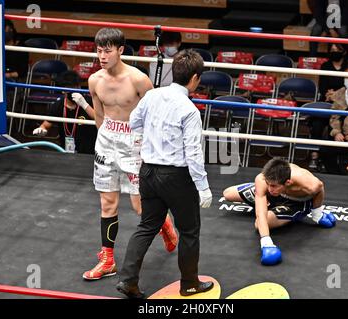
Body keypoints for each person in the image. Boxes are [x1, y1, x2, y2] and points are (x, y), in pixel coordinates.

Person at [116, 49, 213, 299]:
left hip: (148, 171)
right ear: (195, 79)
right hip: (175, 177)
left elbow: (134, 122)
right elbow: (192, 152)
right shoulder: (189, 110)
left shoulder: (152, 96)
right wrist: (203, 187)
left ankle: (128, 281)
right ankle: (189, 283)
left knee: (147, 225)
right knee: (189, 231)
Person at [83, 28, 178, 281]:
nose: (102, 56)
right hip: (106, 141)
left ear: (120, 50)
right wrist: (101, 141)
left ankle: (164, 224)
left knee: (139, 206)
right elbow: (100, 115)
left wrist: (153, 149)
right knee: (107, 203)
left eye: (107, 51)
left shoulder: (138, 80)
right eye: (99, 51)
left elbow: (155, 116)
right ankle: (108, 259)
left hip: (135, 141)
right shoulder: (94, 81)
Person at [223, 158, 336, 266]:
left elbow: (319, 188)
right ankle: (268, 198)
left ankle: (298, 213)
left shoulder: (307, 182)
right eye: (268, 184)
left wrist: (317, 213)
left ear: (287, 182)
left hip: (295, 202)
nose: (270, 188)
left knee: (259, 225)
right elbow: (260, 212)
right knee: (228, 194)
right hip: (274, 196)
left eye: (273, 186)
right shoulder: (262, 180)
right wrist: (266, 242)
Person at [32, 70, 97, 154]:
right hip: (65, 151)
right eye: (70, 88)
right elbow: (45, 125)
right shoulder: (58, 105)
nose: (74, 91)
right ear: (63, 90)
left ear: (79, 87)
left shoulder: (89, 102)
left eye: (75, 87)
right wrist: (41, 130)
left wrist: (85, 105)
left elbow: (99, 120)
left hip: (89, 152)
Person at [308, 43, 348, 170]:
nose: (334, 52)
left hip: (344, 103)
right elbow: (323, 87)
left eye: (337, 50)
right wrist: (330, 95)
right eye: (332, 50)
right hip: (327, 101)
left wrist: (336, 95)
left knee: (339, 124)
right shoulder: (325, 66)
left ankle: (332, 158)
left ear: (344, 52)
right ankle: (314, 155)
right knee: (317, 123)